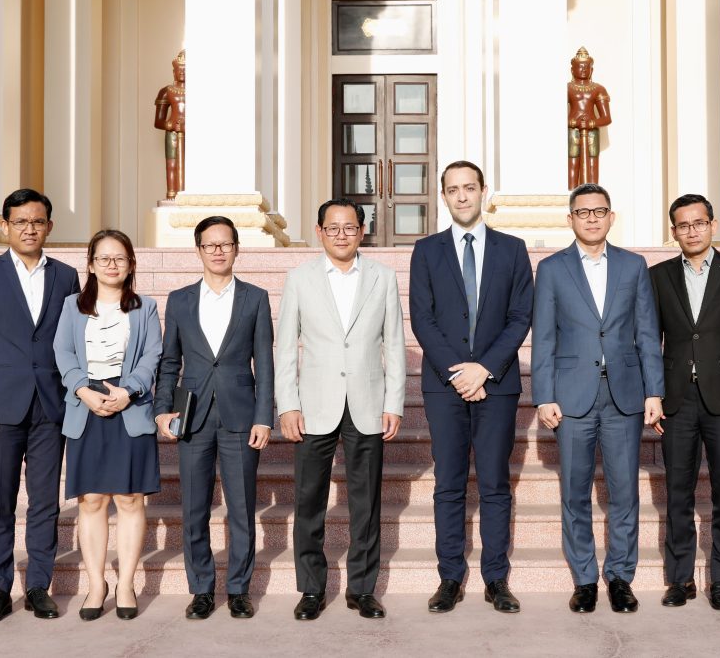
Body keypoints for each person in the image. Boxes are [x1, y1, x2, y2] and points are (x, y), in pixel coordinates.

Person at [532, 183, 664, 614]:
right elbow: (544, 336)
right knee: (575, 493)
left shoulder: (633, 265)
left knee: (624, 491)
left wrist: (654, 390)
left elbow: (647, 333)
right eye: (583, 212)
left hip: (624, 394)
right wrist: (544, 395)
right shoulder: (552, 269)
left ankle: (620, 578)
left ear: (611, 217)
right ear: (570, 218)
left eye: (599, 211)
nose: (591, 218)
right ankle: (585, 579)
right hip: (572, 397)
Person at [409, 160, 534, 614]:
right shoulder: (426, 250)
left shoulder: (512, 249)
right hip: (444, 386)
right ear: (443, 195)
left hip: (496, 385)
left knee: (495, 483)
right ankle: (450, 578)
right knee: (449, 482)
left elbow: (520, 316)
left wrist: (484, 369)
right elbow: (422, 318)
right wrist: (459, 373)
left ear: (483, 191)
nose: (461, 196)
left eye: (469, 187)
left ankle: (495, 579)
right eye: (453, 189)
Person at [275, 199, 405, 621]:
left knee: (366, 503)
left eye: (350, 227)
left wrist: (393, 402)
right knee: (309, 500)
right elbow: (285, 348)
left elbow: (394, 344)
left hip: (367, 403)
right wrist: (288, 404)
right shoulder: (299, 278)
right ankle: (311, 589)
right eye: (333, 228)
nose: (341, 235)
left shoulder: (383, 277)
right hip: (314, 405)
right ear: (319, 232)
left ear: (362, 232)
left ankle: (362, 589)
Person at [0, 189, 80, 624]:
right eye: (21, 221)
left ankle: (38, 587)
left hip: (51, 407)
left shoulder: (66, 276)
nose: (30, 228)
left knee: (45, 503)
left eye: (38, 221)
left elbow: (74, 341)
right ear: (5, 225)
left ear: (50, 226)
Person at [154, 216, 274, 620]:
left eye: (225, 244)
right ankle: (202, 589)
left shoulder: (255, 298)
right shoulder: (180, 300)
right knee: (194, 508)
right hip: (192, 415)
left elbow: (265, 363)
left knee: (241, 507)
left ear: (237, 248)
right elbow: (170, 361)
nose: (218, 251)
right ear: (198, 250)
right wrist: (162, 409)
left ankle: (239, 589)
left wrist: (264, 416)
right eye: (210, 245)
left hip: (241, 415)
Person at [649, 194, 720, 611]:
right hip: (676, 399)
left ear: (713, 225)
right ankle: (680, 577)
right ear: (673, 231)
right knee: (677, 490)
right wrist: (653, 393)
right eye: (683, 225)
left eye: (699, 223)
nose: (691, 231)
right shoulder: (658, 276)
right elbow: (650, 340)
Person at [53, 230, 162, 621]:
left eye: (120, 258)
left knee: (130, 499)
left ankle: (126, 583)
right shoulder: (71, 306)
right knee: (92, 500)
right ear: (91, 264)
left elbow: (152, 354)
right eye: (103, 258)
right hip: (86, 405)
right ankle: (96, 584)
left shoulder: (145, 307)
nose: (112, 265)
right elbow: (62, 351)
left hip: (129, 405)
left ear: (131, 264)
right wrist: (82, 390)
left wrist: (129, 391)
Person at [567, 46, 612, 188]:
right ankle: (572, 194)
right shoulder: (567, 88)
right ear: (572, 69)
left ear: (592, 69)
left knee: (592, 164)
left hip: (592, 131)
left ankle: (592, 193)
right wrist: (572, 122)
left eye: (587, 67)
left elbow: (607, 118)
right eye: (580, 67)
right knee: (573, 163)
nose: (583, 70)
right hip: (573, 130)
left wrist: (591, 123)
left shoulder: (598, 89)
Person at [154, 49, 186, 199]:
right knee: (172, 164)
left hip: (190, 132)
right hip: (173, 133)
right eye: (180, 69)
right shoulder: (166, 91)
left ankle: (189, 194)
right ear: (174, 71)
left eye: (186, 69)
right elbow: (158, 121)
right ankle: (172, 194)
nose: (182, 72)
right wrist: (171, 125)